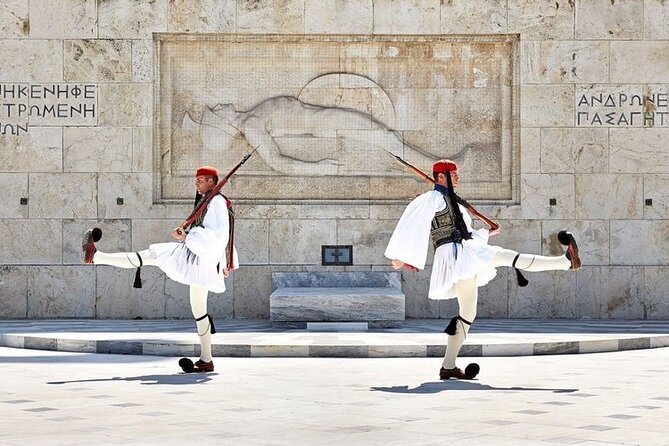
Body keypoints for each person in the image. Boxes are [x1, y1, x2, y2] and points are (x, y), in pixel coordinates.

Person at [385, 159, 581, 380]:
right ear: (441, 177)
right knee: (506, 256)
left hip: (464, 251)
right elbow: (414, 223)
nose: (457, 177)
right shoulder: (431, 199)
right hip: (456, 255)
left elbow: (466, 232)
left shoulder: (455, 202)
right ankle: (565, 262)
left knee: (468, 313)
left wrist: (488, 233)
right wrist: (401, 256)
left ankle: (448, 366)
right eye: (453, 174)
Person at [82, 166, 238, 373]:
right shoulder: (209, 201)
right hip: (201, 260)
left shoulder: (216, 202)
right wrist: (188, 232)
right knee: (199, 311)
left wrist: (188, 237)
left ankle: (97, 256)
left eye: (201, 180)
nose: (196, 183)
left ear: (212, 181)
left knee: (152, 254)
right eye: (196, 180)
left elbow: (218, 236)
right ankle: (206, 360)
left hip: (200, 258)